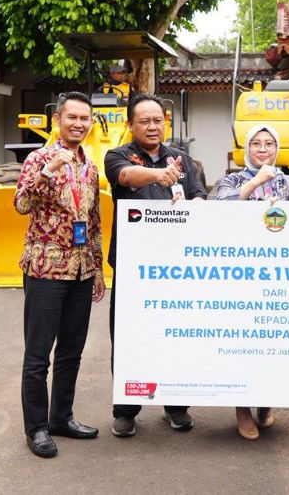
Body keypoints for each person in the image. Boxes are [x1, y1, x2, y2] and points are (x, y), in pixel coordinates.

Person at [104, 94, 207, 437]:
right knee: (129, 338)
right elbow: (126, 177)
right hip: (134, 267)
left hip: (175, 267)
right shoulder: (117, 156)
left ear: (166, 122)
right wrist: (159, 175)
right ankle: (126, 410)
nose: (152, 126)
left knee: (175, 335)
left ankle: (176, 406)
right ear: (130, 125)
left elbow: (199, 194)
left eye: (158, 120)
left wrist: (194, 203)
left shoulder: (183, 159)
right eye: (144, 121)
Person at [13, 91, 106, 458]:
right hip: (45, 270)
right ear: (58, 120)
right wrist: (49, 170)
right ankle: (36, 428)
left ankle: (61, 418)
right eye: (72, 117)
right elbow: (21, 203)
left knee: (71, 351)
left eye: (85, 119)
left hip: (81, 271)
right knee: (38, 355)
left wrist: (97, 268)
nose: (79, 124)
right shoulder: (38, 159)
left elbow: (94, 221)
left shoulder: (90, 167)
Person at [214, 124, 289, 440]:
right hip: (240, 274)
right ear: (246, 149)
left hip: (279, 274)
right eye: (256, 143)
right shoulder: (233, 180)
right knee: (243, 342)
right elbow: (219, 210)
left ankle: (266, 400)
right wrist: (256, 182)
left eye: (269, 144)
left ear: (277, 149)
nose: (263, 149)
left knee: (273, 341)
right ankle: (242, 408)